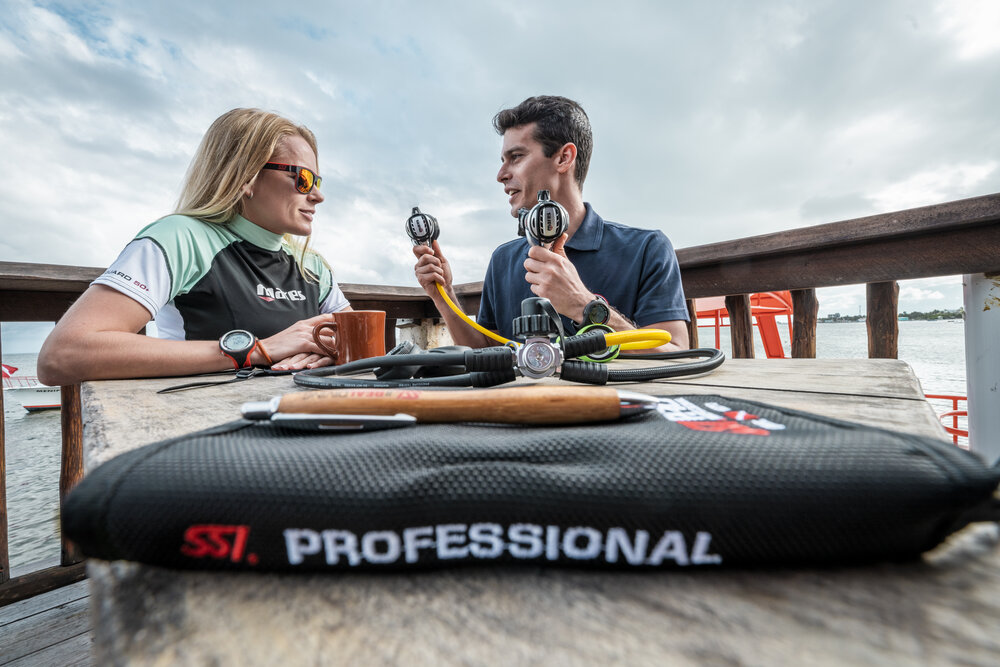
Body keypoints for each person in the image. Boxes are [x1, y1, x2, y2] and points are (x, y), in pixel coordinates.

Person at [38, 108, 350, 386]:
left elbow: (359, 338)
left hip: (304, 425)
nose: (317, 196)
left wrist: (329, 351)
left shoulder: (312, 265)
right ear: (247, 176)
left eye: (318, 182)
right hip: (204, 432)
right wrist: (257, 350)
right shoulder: (183, 238)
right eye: (304, 179)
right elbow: (63, 355)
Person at [413, 95, 690, 351]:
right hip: (524, 403)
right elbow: (486, 350)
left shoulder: (647, 249)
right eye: (502, 160)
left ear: (563, 158)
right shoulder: (503, 259)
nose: (501, 174)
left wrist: (584, 306)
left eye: (516, 157)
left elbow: (676, 353)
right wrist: (444, 295)